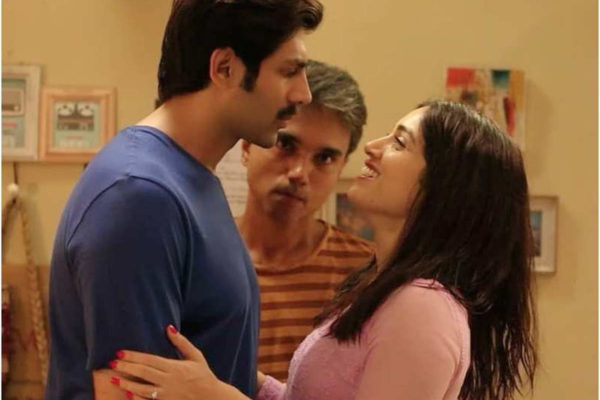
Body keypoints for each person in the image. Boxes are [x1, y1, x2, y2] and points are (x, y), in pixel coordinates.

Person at [108, 100, 538, 400]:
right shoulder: (383, 286)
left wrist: (215, 397)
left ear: (446, 188)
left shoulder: (424, 307)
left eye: (399, 143)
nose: (372, 148)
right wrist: (238, 379)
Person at [44, 0, 323, 399]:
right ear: (224, 68)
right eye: (289, 71)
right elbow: (132, 391)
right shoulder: (139, 196)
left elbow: (218, 360)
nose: (304, 93)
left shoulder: (190, 178)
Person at [236, 59, 374, 381]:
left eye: (324, 158)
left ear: (341, 168)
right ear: (246, 146)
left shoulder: (368, 274)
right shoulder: (196, 255)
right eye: (286, 144)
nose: (299, 173)